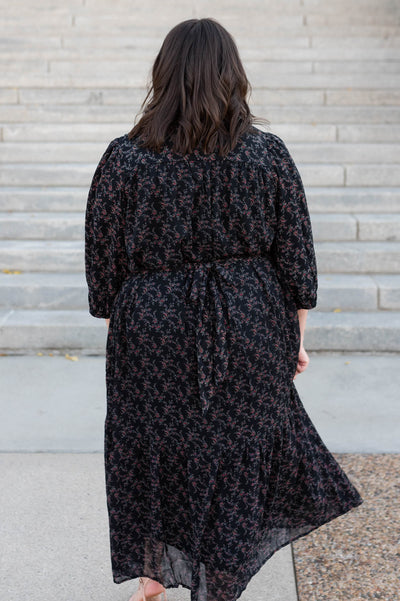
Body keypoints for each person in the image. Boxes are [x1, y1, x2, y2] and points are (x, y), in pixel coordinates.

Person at [85, 17, 364, 601]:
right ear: (232, 76)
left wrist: (131, 332)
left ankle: (154, 572)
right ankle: (217, 585)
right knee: (235, 456)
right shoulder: (267, 156)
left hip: (151, 325)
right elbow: (298, 264)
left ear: (163, 76)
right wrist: (297, 340)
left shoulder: (124, 158)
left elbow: (103, 269)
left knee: (155, 449)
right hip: (250, 322)